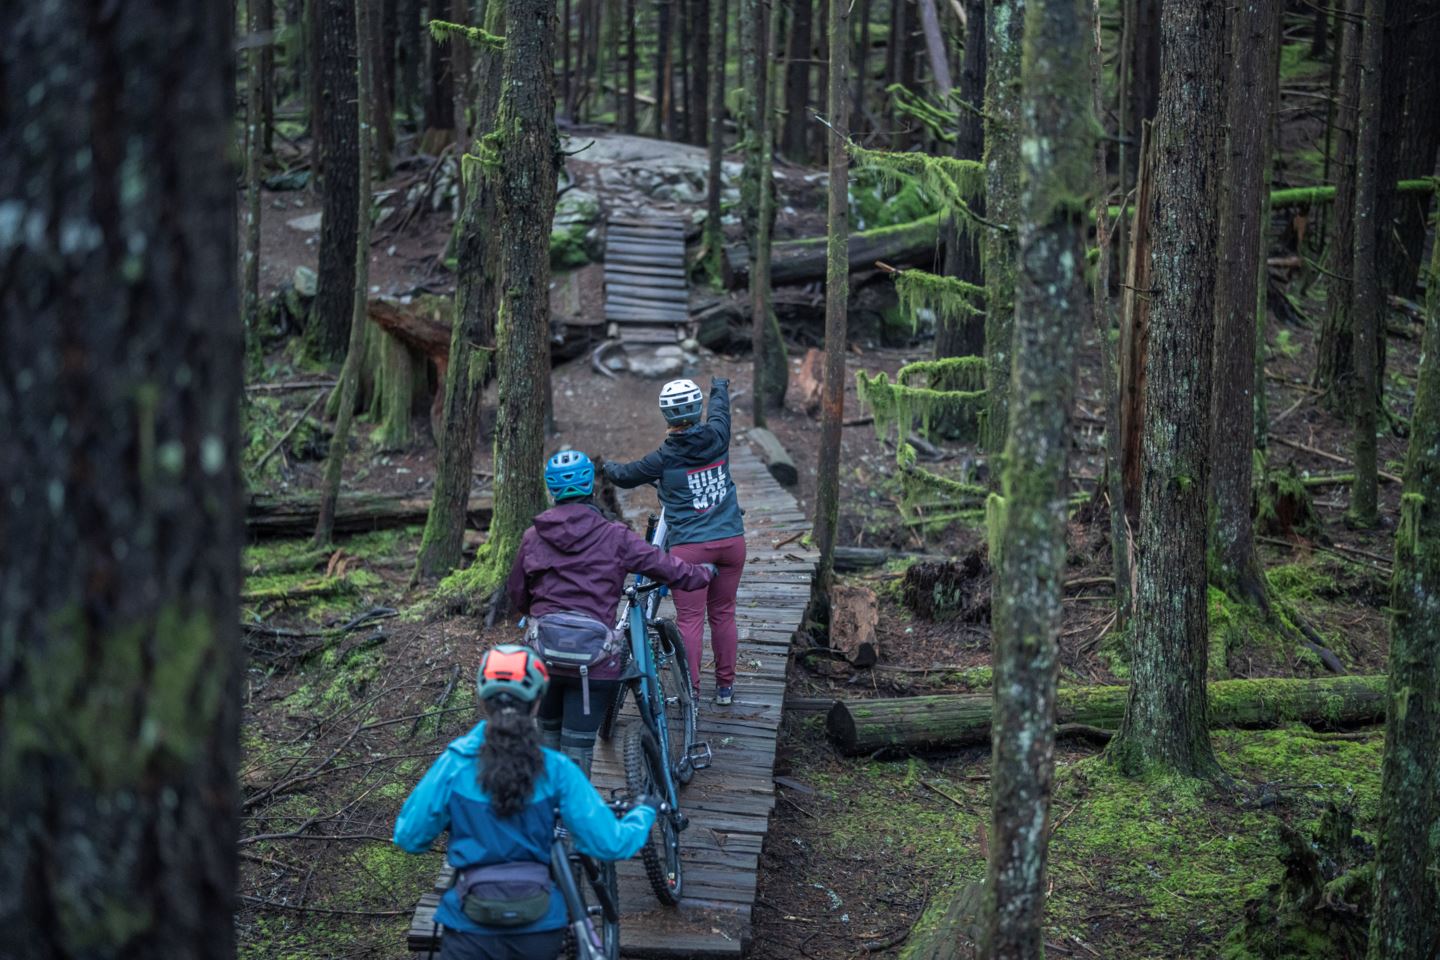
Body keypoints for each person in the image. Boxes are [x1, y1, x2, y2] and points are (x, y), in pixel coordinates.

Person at [393, 645, 656, 960]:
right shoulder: (557, 770)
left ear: (482, 700)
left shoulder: (455, 764)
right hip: (539, 928)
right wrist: (643, 812)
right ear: (536, 704)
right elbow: (611, 844)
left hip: (469, 927)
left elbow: (409, 837)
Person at [506, 449, 715, 778]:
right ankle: (571, 820)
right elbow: (664, 567)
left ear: (552, 490)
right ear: (591, 486)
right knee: (578, 749)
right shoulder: (614, 536)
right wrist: (703, 573)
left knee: (546, 741)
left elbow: (517, 593)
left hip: (543, 659)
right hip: (595, 663)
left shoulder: (534, 538)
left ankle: (545, 817)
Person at [602, 378, 746, 706]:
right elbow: (721, 412)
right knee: (724, 613)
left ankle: (690, 694)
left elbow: (625, 475)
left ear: (666, 416)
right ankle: (725, 687)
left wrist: (605, 466)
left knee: (690, 619)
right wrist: (719, 387)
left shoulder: (663, 458)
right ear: (697, 410)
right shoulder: (718, 436)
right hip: (731, 541)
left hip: (690, 549)